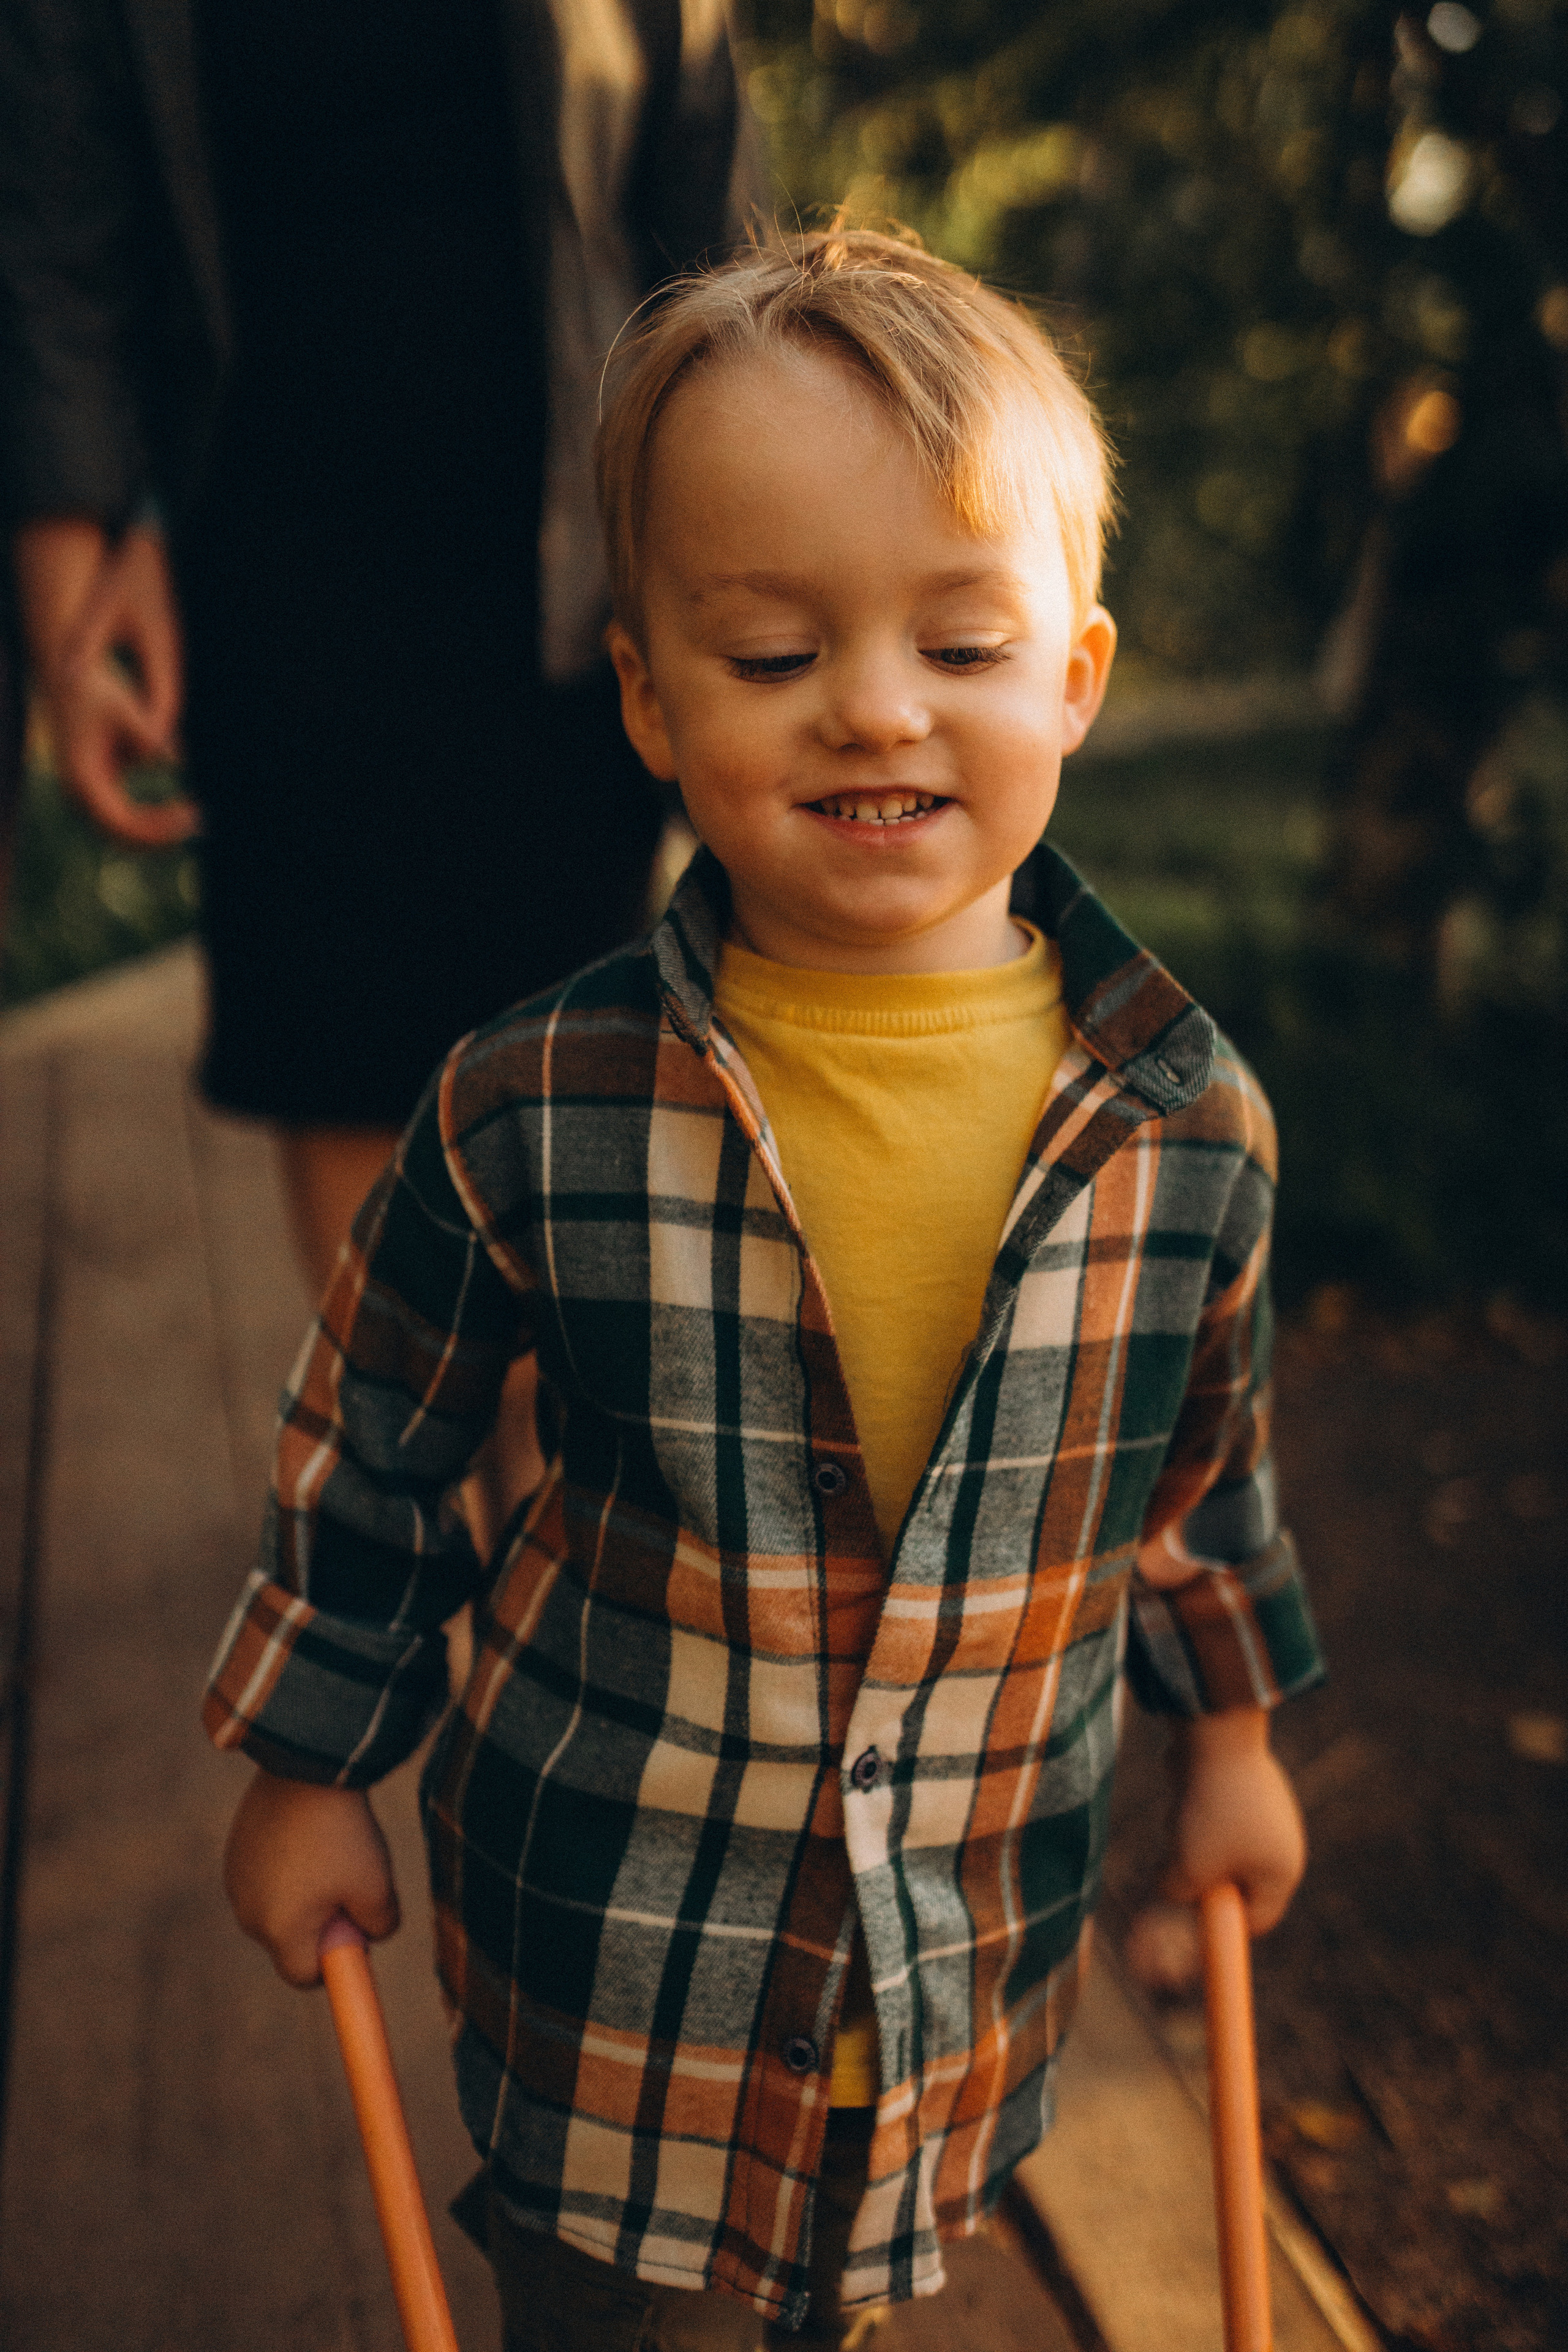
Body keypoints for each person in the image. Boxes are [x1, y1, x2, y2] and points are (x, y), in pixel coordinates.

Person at [206, 228, 1324, 2350]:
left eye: (961, 644)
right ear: (649, 692)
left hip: (952, 1970)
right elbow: (372, 1445)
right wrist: (305, 1765)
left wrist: (1238, 1745)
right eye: (773, 649)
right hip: (614, 1960)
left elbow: (1202, 1480)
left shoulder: (1186, 1133)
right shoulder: (536, 1101)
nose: (877, 705)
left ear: (1075, 679)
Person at [0, 0, 756, 1293]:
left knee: (580, 1053)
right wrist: (76, 589)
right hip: (269, 570)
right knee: (340, 1057)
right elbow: (58, 243)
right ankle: (399, 1472)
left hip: (575, 577)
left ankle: (551, 1471)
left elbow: (711, 201)